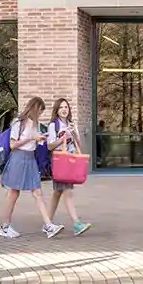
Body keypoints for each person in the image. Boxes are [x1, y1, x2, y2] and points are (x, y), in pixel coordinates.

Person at [0, 96, 62, 239]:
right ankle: (5, 227)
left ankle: (48, 226)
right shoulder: (19, 122)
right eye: (39, 111)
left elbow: (33, 142)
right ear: (34, 108)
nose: (40, 114)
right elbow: (13, 145)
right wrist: (31, 138)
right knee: (13, 193)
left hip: (30, 159)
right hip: (19, 159)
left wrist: (40, 139)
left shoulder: (35, 124)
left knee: (37, 192)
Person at [43, 96, 93, 236]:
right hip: (59, 160)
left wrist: (74, 133)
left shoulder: (71, 124)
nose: (64, 110)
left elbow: (79, 144)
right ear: (56, 110)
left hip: (70, 160)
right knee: (67, 191)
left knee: (58, 192)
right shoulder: (53, 125)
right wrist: (63, 138)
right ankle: (77, 224)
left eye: (66, 107)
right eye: (61, 107)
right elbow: (50, 145)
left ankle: (47, 223)